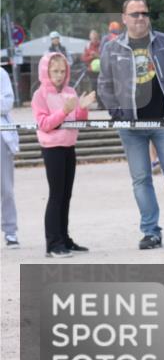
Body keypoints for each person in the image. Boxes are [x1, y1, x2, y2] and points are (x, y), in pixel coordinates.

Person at [98, 0, 164, 250]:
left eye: (144, 13)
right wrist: (117, 113)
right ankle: (151, 232)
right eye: (134, 14)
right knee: (141, 180)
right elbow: (105, 84)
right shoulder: (112, 49)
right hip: (131, 127)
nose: (140, 18)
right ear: (124, 18)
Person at [32, 52, 96, 257]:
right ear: (46, 71)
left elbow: (78, 119)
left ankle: (64, 239)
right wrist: (63, 111)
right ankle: (53, 244)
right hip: (52, 148)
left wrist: (83, 109)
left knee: (66, 195)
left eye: (62, 71)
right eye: (55, 71)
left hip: (69, 146)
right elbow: (44, 124)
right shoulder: (39, 95)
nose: (59, 75)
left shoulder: (70, 91)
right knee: (56, 195)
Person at [1, 68, 19, 248]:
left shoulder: (1, 74)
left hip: (1, 135)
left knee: (6, 188)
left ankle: (10, 231)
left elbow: (7, 104)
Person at [81, 29, 101, 94]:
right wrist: (91, 56)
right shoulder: (88, 46)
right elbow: (84, 59)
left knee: (101, 85)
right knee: (94, 85)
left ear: (98, 37)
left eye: (95, 38)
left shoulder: (101, 45)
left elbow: (105, 57)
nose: (94, 39)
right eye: (92, 38)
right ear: (90, 38)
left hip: (101, 69)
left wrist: (97, 55)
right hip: (91, 69)